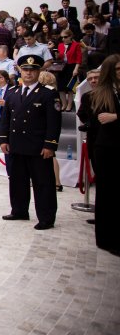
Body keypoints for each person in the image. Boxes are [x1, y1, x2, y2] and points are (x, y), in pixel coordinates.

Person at [0, 55, 62, 230]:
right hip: (17, 145)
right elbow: (6, 118)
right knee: (17, 180)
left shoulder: (48, 94)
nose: (28, 73)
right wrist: (3, 139)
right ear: (20, 71)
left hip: (38, 147)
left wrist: (50, 144)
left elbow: (54, 122)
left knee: (43, 183)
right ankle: (19, 210)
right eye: (25, 70)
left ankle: (46, 217)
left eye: (32, 70)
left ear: (38, 72)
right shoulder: (13, 92)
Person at [83, 54, 120, 255]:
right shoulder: (100, 94)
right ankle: (107, 238)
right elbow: (99, 119)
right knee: (108, 192)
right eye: (117, 70)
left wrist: (116, 117)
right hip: (107, 146)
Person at [76, 68, 101, 224]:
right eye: (90, 78)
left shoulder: (112, 95)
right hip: (94, 139)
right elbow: (82, 113)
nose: (93, 81)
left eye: (96, 78)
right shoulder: (87, 97)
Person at [56, 29, 82, 111]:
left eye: (65, 37)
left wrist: (76, 69)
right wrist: (57, 55)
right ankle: (64, 104)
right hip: (62, 67)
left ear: (70, 36)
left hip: (72, 67)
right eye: (62, 37)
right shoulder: (60, 45)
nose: (63, 39)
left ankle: (70, 104)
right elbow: (59, 57)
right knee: (61, 87)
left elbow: (79, 58)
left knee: (70, 88)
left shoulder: (76, 45)